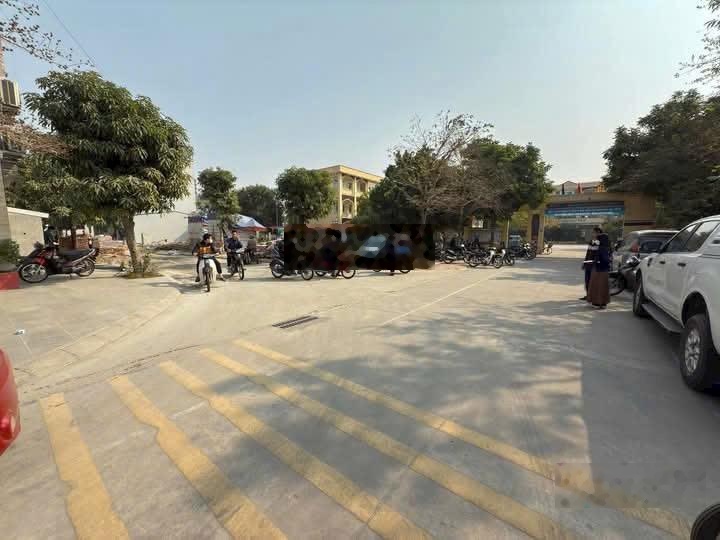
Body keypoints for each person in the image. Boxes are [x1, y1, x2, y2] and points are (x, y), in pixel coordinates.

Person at [587, 227, 611, 308]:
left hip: (598, 267)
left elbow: (592, 254)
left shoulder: (598, 244)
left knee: (596, 285)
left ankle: (597, 302)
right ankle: (603, 303)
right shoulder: (608, 245)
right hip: (605, 268)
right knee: (604, 285)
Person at [580, 230, 599, 300]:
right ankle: (588, 295)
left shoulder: (600, 243)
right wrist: (584, 263)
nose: (593, 234)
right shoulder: (591, 242)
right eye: (593, 233)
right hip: (588, 264)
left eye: (595, 233)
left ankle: (593, 296)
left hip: (594, 265)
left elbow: (598, 255)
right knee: (587, 280)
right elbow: (588, 254)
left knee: (593, 281)